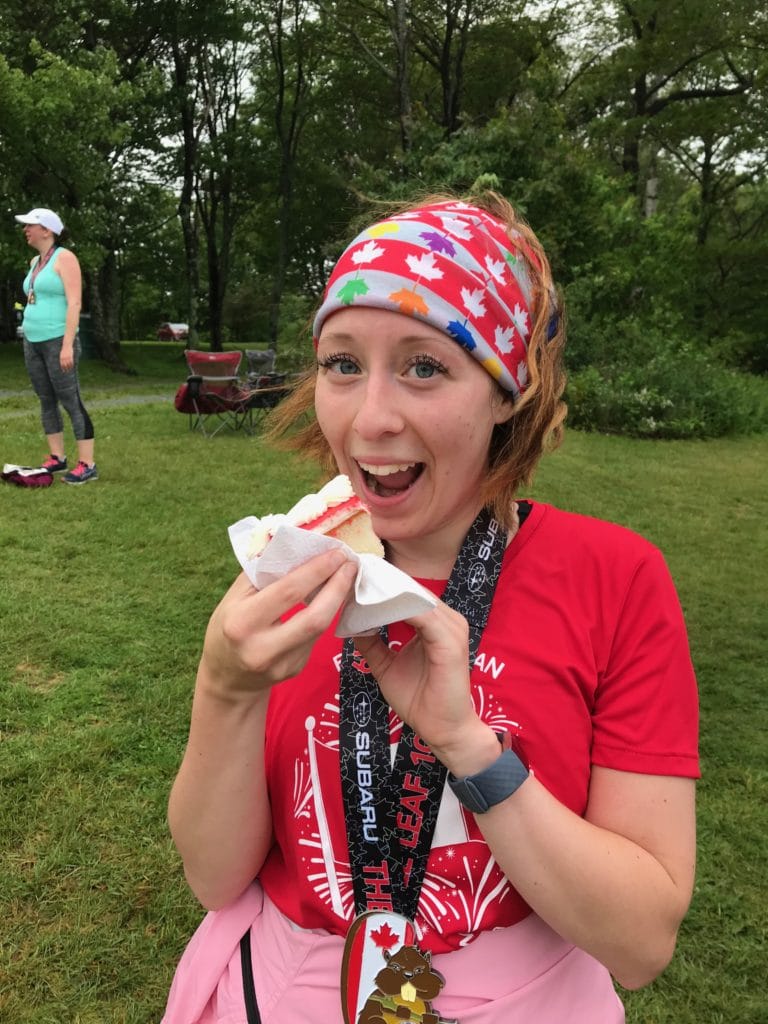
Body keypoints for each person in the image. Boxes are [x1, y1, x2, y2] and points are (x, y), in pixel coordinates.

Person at [162, 193, 699, 1024]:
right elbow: (214, 878)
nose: (370, 419)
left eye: (424, 365)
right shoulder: (297, 566)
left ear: (506, 392)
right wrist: (224, 686)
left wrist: (467, 747)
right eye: (343, 364)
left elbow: (640, 941)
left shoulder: (614, 578)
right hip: (282, 990)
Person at [15, 207, 98, 485]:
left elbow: (74, 302)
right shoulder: (34, 262)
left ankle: (87, 464)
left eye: (30, 225)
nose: (26, 230)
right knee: (46, 399)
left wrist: (66, 346)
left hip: (57, 341)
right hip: (33, 341)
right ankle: (57, 457)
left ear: (46, 230)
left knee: (70, 400)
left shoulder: (65, 258)